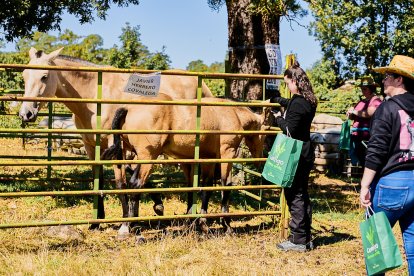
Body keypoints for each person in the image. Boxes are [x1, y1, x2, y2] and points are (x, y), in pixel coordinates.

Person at [360, 55, 414, 275]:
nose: (383, 81)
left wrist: (365, 185)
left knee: (376, 247)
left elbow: (376, 150)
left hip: (392, 184)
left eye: (388, 76)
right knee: (412, 247)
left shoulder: (387, 108)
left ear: (400, 80)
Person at [270, 60, 318, 252]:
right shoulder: (309, 100)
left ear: (295, 82)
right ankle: (305, 237)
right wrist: (279, 100)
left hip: (296, 152)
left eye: (288, 83)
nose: (287, 87)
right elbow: (292, 103)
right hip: (306, 151)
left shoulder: (299, 103)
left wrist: (277, 117)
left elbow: (289, 129)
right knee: (302, 193)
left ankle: (298, 240)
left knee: (294, 194)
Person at [346, 76, 382, 167]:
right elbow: (353, 117)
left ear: (371, 89)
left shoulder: (375, 100)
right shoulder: (361, 102)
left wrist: (354, 111)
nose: (363, 91)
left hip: (368, 137)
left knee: (368, 161)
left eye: (365, 89)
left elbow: (369, 113)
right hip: (357, 136)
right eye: (362, 89)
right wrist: (350, 113)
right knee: (362, 161)